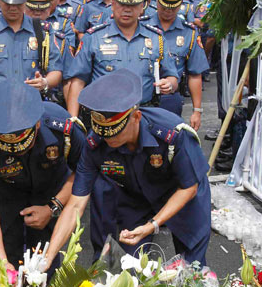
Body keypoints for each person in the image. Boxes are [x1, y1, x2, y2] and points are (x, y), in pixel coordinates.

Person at [40, 69, 212, 268]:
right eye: (103, 134)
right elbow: (76, 204)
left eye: (115, 133)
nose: (109, 140)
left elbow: (189, 187)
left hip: (182, 194)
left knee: (192, 269)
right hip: (136, 199)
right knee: (127, 267)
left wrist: (153, 225)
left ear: (136, 117)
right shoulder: (96, 144)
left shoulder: (171, 134)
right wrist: (48, 257)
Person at [0, 81, 84, 272]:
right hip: (8, 192)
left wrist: (53, 207)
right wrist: (1, 263)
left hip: (51, 190)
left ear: (37, 125)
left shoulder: (61, 125)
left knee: (45, 263)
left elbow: (82, 172)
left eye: (24, 147)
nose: (18, 154)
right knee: (6, 258)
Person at [151, 0, 209, 129]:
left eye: (173, 6)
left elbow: (195, 73)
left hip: (170, 98)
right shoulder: (142, 26)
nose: (168, 10)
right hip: (142, 97)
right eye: (164, 5)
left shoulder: (189, 33)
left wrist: (197, 111)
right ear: (157, 0)